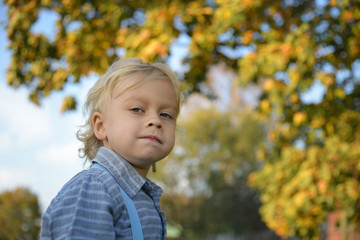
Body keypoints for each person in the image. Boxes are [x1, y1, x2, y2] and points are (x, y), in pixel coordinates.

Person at [41, 58, 182, 239]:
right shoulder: (94, 189)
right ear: (101, 126)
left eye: (166, 114)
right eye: (137, 109)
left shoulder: (143, 196)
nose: (155, 120)